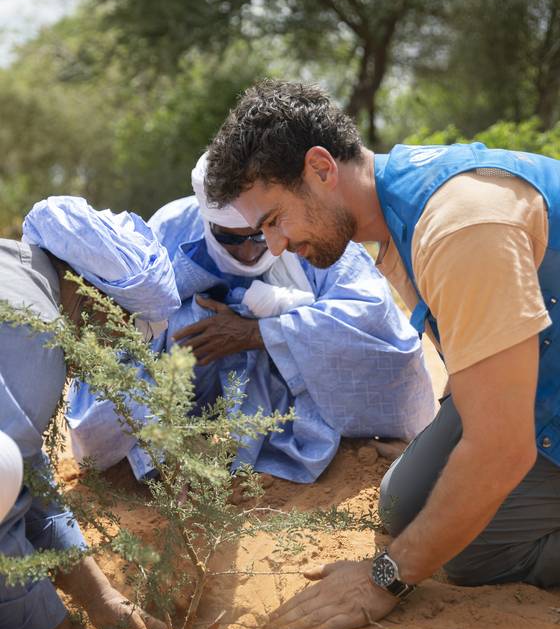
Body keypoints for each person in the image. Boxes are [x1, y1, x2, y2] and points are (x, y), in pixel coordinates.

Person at [202, 78, 560, 629]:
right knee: (405, 503)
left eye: (274, 220)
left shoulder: (457, 227)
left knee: (477, 553)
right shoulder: (391, 213)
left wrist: (385, 578)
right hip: (543, 378)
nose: (272, 247)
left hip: (542, 401)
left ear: (321, 169)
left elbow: (500, 447)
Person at [67, 154, 435, 484]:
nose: (247, 252)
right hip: (193, 376)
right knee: (182, 323)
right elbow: (125, 324)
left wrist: (260, 332)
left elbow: (375, 322)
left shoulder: (308, 226)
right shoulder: (172, 228)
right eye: (230, 239)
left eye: (260, 236)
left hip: (292, 385)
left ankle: (278, 443)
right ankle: (170, 450)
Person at [0, 196, 185, 629]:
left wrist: (102, 600)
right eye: (125, 329)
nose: (119, 351)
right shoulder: (36, 343)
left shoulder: (19, 274)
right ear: (88, 294)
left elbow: (29, 477)